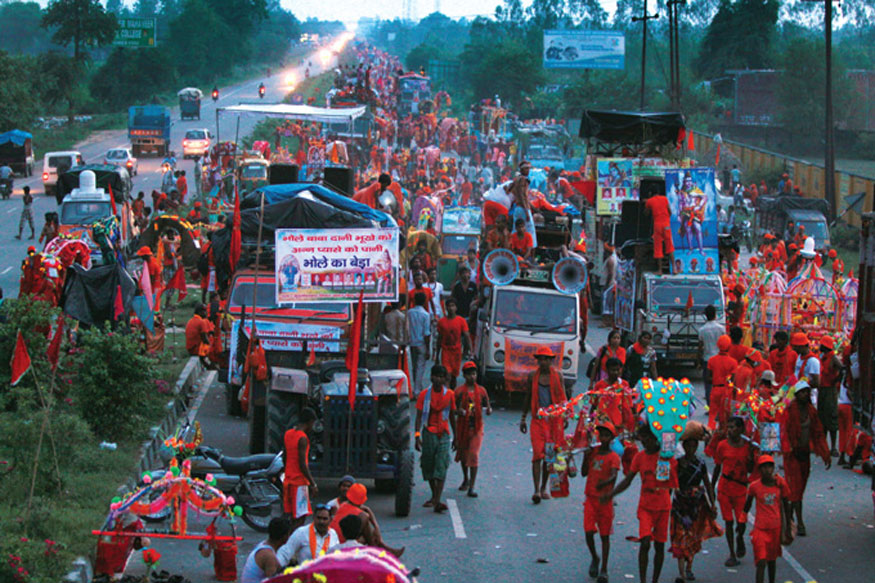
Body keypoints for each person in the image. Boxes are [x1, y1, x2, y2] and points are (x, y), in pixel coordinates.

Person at [602, 424, 678, 583]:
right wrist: (611, 494)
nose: (646, 443)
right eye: (643, 440)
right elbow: (628, 480)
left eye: (649, 439)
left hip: (663, 508)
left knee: (659, 546)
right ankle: (643, 580)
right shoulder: (639, 457)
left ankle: (654, 580)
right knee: (644, 542)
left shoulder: (666, 456)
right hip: (645, 507)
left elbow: (672, 482)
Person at [670, 421, 721, 583]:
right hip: (680, 505)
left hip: (696, 506)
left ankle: (688, 568)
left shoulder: (701, 463)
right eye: (688, 446)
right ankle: (682, 574)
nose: (691, 449)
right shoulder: (676, 464)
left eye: (694, 446)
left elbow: (707, 484)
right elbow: (670, 484)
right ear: (684, 446)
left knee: (691, 537)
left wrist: (712, 504)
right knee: (679, 536)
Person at [779, 381, 830, 536]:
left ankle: (789, 518)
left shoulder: (811, 412)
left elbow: (818, 433)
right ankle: (799, 522)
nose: (805, 395)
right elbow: (783, 433)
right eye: (802, 392)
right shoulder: (788, 412)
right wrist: (789, 449)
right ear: (796, 394)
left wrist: (824, 452)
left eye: (807, 392)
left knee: (798, 490)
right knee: (795, 490)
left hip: (805, 454)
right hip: (792, 456)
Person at [520, 346, 567, 504]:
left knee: (550, 456)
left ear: (550, 360)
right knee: (537, 456)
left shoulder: (558, 375)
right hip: (538, 420)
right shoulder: (533, 376)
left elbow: (563, 396)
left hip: (553, 420)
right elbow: (528, 396)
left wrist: (565, 415)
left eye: (546, 359)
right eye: (540, 359)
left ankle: (543, 487)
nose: (543, 362)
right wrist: (523, 417)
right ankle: (535, 490)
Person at [581, 422, 621, 583]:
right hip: (590, 498)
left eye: (606, 435)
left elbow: (613, 476)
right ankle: (594, 557)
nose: (602, 438)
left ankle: (604, 569)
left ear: (611, 438)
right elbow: (584, 473)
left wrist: (604, 484)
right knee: (588, 532)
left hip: (605, 501)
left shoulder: (614, 457)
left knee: (605, 535)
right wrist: (586, 455)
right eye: (601, 435)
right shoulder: (593, 453)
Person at [712, 416, 754, 567]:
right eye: (728, 427)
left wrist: (751, 458)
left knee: (741, 521)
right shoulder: (722, 445)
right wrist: (712, 487)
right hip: (724, 488)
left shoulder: (748, 447)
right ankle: (731, 553)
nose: (730, 430)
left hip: (741, 488)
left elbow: (750, 470)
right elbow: (717, 467)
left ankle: (740, 537)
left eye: (733, 427)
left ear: (741, 429)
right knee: (728, 522)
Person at [743, 456, 791, 583]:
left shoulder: (780, 484)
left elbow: (786, 505)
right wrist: (741, 523)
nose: (767, 470)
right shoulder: (754, 487)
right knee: (761, 561)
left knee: (771, 560)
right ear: (759, 470)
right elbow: (747, 506)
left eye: (769, 466)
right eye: (764, 467)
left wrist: (788, 528)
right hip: (760, 529)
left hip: (775, 528)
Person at [415, 365, 456, 513]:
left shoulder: (449, 395)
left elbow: (452, 416)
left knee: (441, 465)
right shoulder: (424, 395)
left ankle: (437, 500)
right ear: (431, 377)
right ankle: (435, 496)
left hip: (443, 434)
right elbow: (419, 417)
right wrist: (416, 435)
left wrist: (456, 437)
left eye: (441, 377)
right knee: (429, 465)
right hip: (429, 432)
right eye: (435, 376)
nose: (438, 379)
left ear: (445, 379)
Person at [329, 483, 404, 556]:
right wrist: (376, 529)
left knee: (366, 530)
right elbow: (366, 513)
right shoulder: (363, 515)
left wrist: (376, 527)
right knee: (367, 534)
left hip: (333, 541)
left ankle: (382, 546)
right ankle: (378, 550)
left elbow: (366, 509)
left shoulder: (343, 504)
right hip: (344, 543)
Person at [454, 361, 492, 497]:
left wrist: (488, 410)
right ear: (464, 375)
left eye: (474, 374)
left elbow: (488, 405)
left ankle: (472, 486)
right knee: (464, 456)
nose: (472, 377)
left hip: (477, 428)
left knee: (474, 455)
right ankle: (466, 478)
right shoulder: (458, 392)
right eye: (469, 374)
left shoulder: (481, 391)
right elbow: (453, 410)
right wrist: (459, 411)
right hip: (462, 427)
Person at [283, 407, 318, 530]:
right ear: (309, 422)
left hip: (288, 480)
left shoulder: (288, 434)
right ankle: (292, 543)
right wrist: (313, 483)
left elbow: (285, 456)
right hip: (299, 482)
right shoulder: (302, 438)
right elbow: (302, 464)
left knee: (292, 516)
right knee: (300, 518)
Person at [240, 517, 291, 583]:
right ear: (285, 536)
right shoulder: (269, 556)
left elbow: (279, 568)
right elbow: (273, 580)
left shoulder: (264, 544)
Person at [436, 298, 471, 389]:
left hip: (457, 352)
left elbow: (467, 336)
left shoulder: (461, 321)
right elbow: (439, 338)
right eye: (449, 306)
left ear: (456, 308)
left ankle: (452, 393)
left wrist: (471, 350)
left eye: (453, 306)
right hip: (446, 351)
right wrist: (436, 355)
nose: (451, 308)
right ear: (446, 308)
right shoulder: (441, 322)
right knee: (447, 375)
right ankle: (447, 395)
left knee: (454, 376)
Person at [817, 335, 841, 456]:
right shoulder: (823, 357)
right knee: (822, 417)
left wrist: (836, 380)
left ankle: (833, 447)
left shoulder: (833, 358)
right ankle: (824, 446)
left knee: (831, 418)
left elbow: (842, 368)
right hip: (822, 390)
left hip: (830, 391)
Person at [707, 335, 738, 429]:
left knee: (712, 414)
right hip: (727, 391)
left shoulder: (711, 360)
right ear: (729, 346)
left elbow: (708, 378)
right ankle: (723, 433)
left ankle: (710, 432)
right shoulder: (733, 362)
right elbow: (733, 380)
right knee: (725, 415)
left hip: (715, 389)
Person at [698, 305, 724, 411]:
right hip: (719, 358)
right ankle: (718, 407)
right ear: (715, 315)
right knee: (718, 384)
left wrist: (698, 361)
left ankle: (710, 407)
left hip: (707, 359)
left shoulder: (702, 330)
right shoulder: (721, 329)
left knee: (708, 384)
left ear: (705, 315)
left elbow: (700, 347)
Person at [644, 188, 675, 273]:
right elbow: (670, 212)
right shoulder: (665, 198)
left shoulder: (649, 201)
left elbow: (646, 213)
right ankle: (675, 268)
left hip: (657, 225)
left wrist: (646, 204)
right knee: (670, 246)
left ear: (650, 193)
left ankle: (660, 270)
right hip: (666, 225)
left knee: (658, 247)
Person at [407, 292, 431, 396]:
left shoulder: (409, 313)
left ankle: (414, 388)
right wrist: (428, 348)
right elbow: (426, 333)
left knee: (413, 366)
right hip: (421, 343)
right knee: (420, 367)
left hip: (411, 343)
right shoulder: (426, 314)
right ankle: (417, 390)